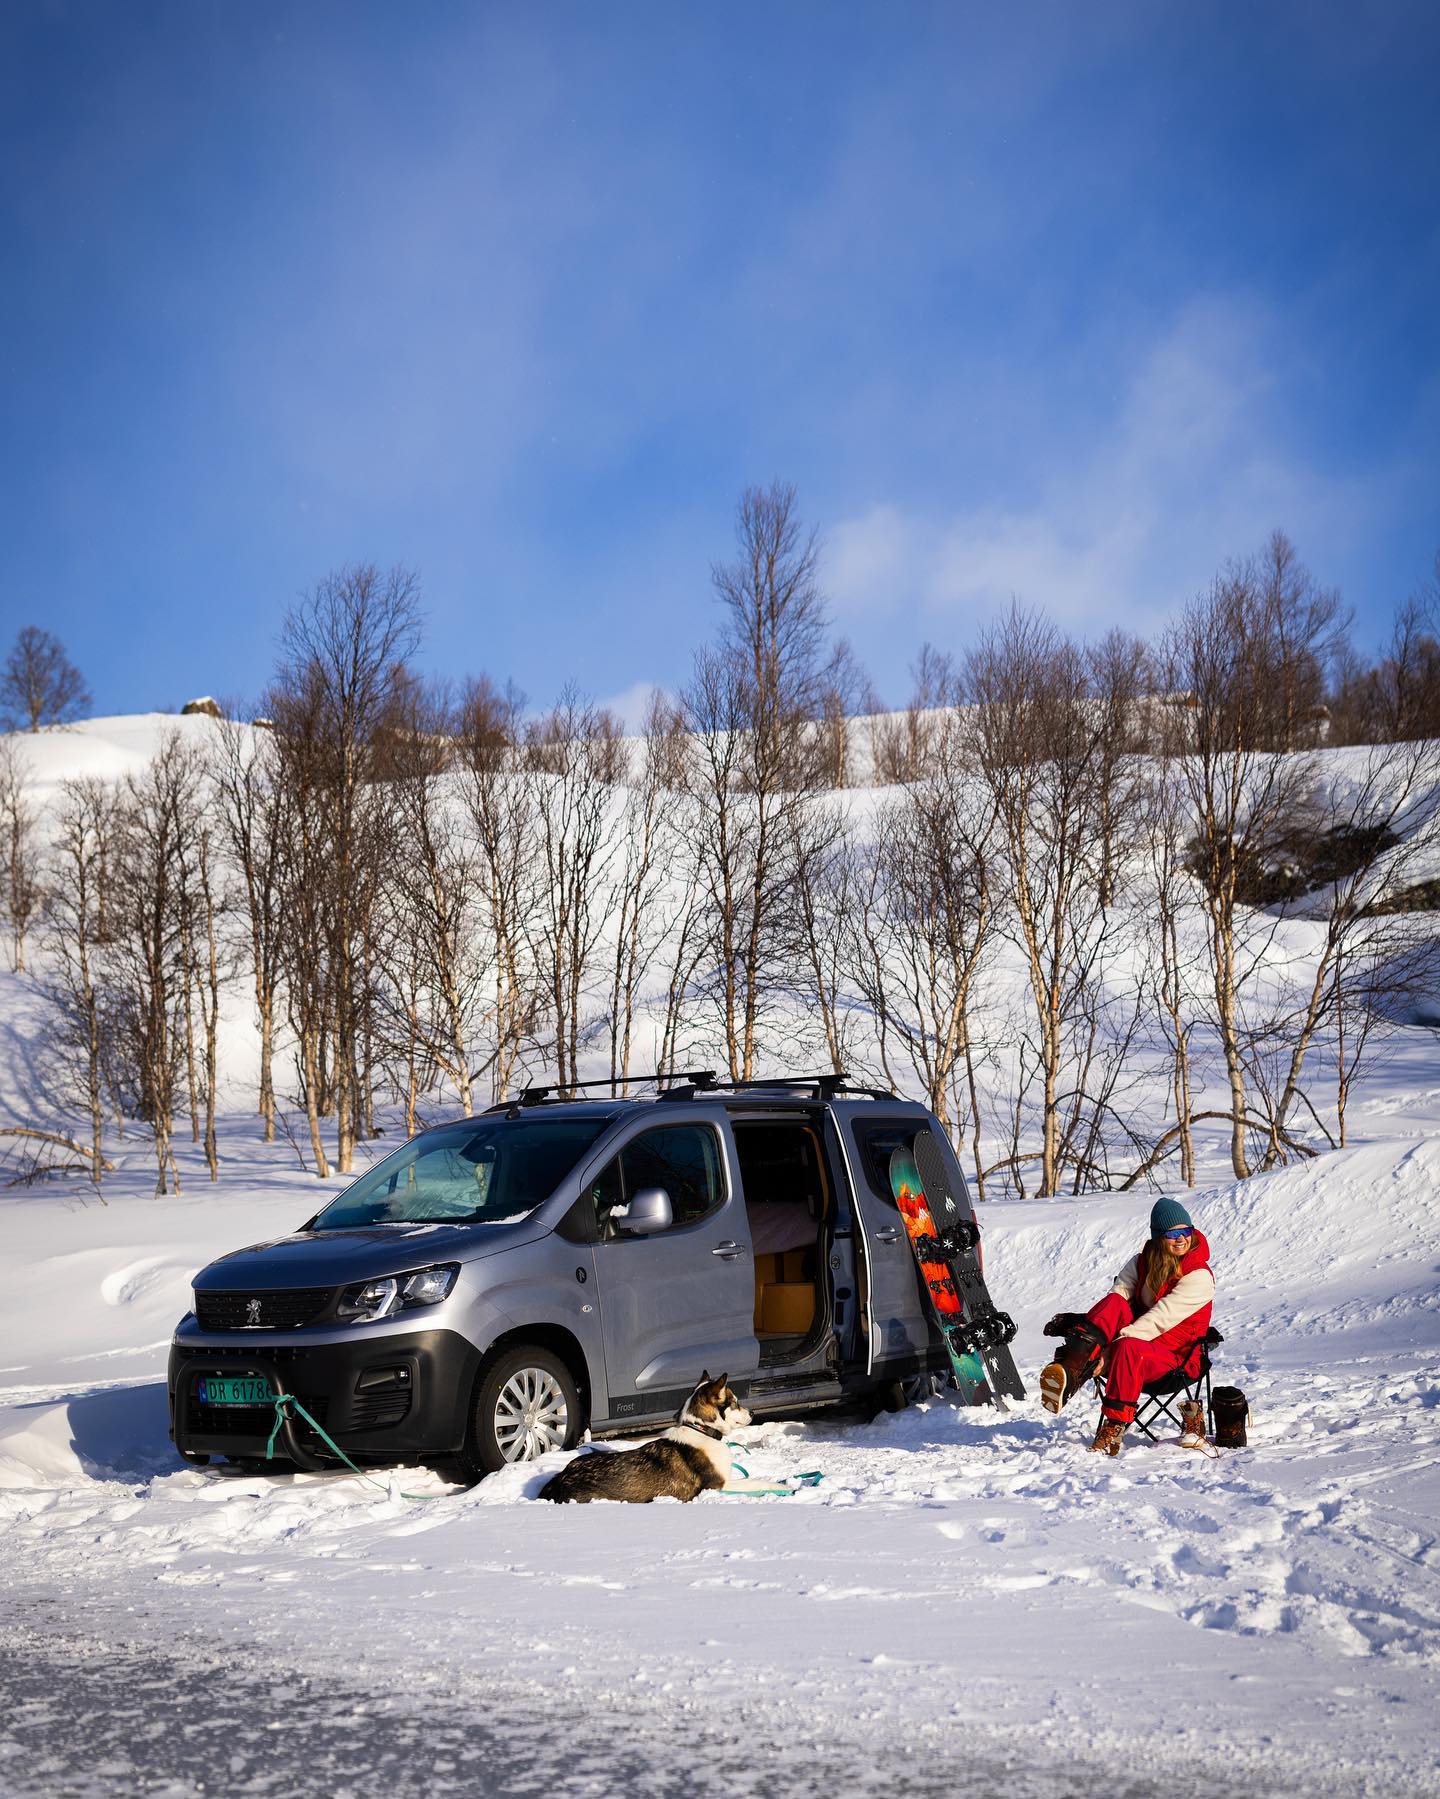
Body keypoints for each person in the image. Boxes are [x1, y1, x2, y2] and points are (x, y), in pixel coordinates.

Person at [1039, 1197, 1215, 1457]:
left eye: (1186, 1232)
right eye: (1172, 1234)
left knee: (1130, 1348)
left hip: (1177, 1359)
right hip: (1133, 1351)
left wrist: (1108, 1352)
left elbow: (1159, 1319)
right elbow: (1118, 1294)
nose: (1181, 1239)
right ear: (1157, 1237)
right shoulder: (1141, 1262)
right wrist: (1097, 1343)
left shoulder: (1199, 1275)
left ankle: (1113, 1427)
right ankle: (1075, 1365)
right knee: (1115, 1302)